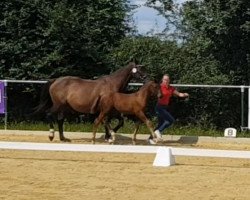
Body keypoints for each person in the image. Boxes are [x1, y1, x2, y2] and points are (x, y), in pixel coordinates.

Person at [148, 74, 189, 144]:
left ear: (169, 80)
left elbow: (179, 94)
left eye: (167, 80)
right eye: (164, 79)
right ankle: (158, 131)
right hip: (159, 107)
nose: (166, 81)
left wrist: (185, 94)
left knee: (160, 124)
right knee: (171, 120)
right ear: (162, 80)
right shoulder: (159, 87)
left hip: (165, 107)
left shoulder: (171, 88)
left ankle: (150, 139)